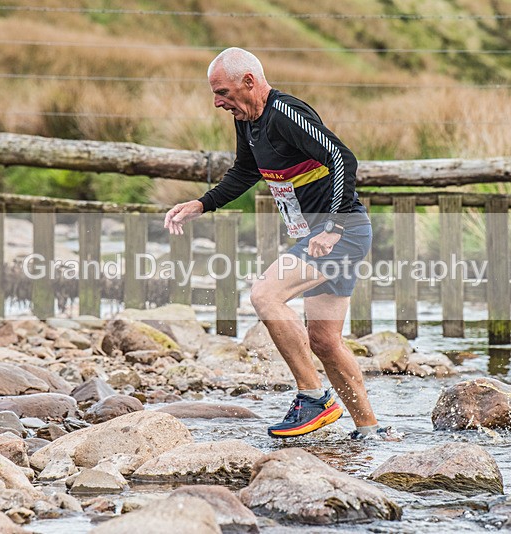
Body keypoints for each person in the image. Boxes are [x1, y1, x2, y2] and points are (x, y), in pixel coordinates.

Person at [164, 47, 390, 440]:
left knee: (266, 295)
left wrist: (331, 227)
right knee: (325, 340)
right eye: (215, 94)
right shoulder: (247, 120)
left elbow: (342, 159)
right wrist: (201, 204)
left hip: (341, 233)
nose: (217, 102)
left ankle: (313, 397)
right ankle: (369, 429)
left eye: (223, 92)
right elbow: (245, 171)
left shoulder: (285, 114)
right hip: (319, 237)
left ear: (249, 81)